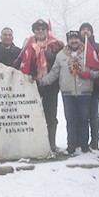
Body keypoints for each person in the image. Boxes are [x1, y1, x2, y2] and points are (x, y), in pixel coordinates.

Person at [41, 30, 99, 153]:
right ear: (67, 41)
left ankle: (84, 145)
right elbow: (54, 73)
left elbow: (98, 70)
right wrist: (41, 81)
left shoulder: (88, 52)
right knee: (70, 120)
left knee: (84, 119)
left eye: (76, 38)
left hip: (84, 92)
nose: (74, 41)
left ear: (80, 40)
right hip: (67, 93)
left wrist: (89, 74)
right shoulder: (61, 55)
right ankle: (71, 145)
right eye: (71, 39)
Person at [17, 19, 64, 151]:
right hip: (32, 83)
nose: (40, 31)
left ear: (47, 30)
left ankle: (51, 143)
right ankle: (34, 142)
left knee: (51, 114)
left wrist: (52, 58)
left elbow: (62, 63)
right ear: (34, 31)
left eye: (43, 29)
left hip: (50, 84)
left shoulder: (56, 44)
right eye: (38, 29)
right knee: (32, 113)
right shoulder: (27, 44)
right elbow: (22, 61)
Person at [80, 22, 99, 150]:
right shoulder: (76, 47)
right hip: (80, 87)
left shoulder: (97, 47)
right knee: (81, 116)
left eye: (88, 29)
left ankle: (95, 140)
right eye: (83, 29)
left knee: (93, 116)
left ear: (92, 32)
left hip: (94, 87)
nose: (85, 31)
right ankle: (81, 140)